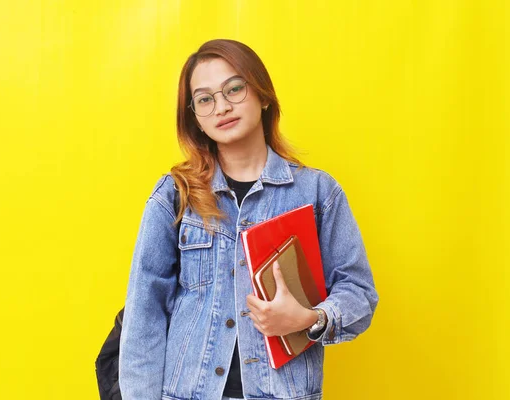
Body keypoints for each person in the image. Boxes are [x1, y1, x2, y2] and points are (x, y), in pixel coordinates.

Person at [119, 39, 379, 400]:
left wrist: (308, 319)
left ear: (263, 94)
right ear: (195, 117)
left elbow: (360, 292)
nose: (222, 106)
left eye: (234, 89)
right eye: (205, 99)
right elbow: (144, 315)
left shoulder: (317, 193)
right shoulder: (174, 196)